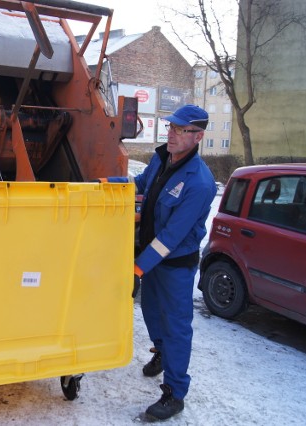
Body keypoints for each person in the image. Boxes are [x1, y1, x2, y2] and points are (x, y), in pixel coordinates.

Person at [133, 104, 217, 420]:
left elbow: (171, 237)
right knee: (152, 314)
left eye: (180, 130)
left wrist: (137, 268)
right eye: (170, 127)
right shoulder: (162, 158)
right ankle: (161, 353)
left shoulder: (199, 183)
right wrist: (106, 184)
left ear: (198, 137)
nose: (171, 134)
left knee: (176, 327)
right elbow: (141, 185)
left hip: (175, 266)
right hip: (150, 258)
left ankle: (175, 393)